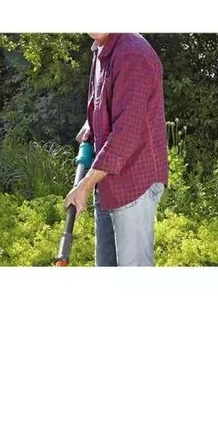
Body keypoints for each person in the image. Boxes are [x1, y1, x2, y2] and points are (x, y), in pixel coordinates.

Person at [63, 33, 169, 266]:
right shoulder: (101, 49)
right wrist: (91, 123)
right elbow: (108, 103)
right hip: (107, 180)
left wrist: (85, 185)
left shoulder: (132, 53)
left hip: (134, 182)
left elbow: (126, 133)